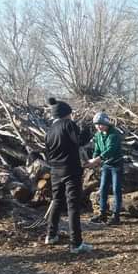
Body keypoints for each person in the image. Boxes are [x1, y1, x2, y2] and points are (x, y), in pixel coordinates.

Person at [44, 97, 93, 254]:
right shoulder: (68, 124)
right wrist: (87, 129)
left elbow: (48, 152)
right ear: (66, 113)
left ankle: (51, 235)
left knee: (57, 201)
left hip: (55, 170)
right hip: (71, 169)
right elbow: (79, 141)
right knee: (73, 206)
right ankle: (76, 243)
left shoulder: (49, 130)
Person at [86, 112, 124, 225]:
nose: (98, 126)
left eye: (101, 124)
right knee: (103, 188)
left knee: (116, 189)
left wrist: (97, 160)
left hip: (116, 165)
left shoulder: (114, 134)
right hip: (106, 165)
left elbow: (110, 150)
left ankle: (116, 216)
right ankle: (102, 213)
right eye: (96, 124)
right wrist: (94, 159)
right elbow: (97, 149)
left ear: (106, 123)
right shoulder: (98, 135)